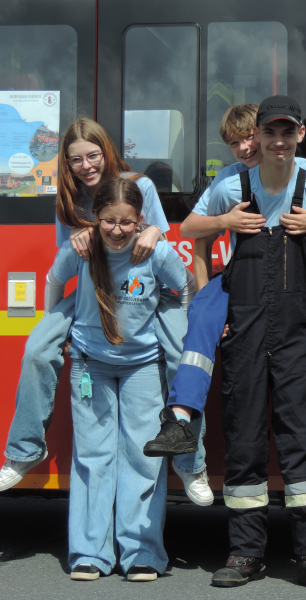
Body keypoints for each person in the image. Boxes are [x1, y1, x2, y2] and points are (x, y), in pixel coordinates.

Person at [144, 104, 306, 480]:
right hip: (247, 282)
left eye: (249, 137)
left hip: (303, 282)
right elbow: (191, 230)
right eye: (234, 143)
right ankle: (180, 420)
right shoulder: (230, 182)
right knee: (200, 316)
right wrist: (225, 221)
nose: (244, 148)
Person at [187, 95, 306, 591]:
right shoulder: (232, 185)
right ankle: (246, 553)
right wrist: (210, 304)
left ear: (299, 134)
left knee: (302, 442)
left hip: (293, 332)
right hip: (243, 329)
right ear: (260, 135)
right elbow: (190, 233)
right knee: (243, 442)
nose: (276, 141)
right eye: (269, 133)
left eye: (287, 132)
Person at [0, 118, 211, 506]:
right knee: (35, 351)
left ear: (106, 152)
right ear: (66, 162)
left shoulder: (141, 184)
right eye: (76, 159)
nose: (86, 165)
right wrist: (57, 326)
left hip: (147, 291)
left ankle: (190, 462)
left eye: (93, 155)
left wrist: (151, 231)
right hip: (90, 293)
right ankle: (25, 452)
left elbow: (160, 236)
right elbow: (66, 261)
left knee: (185, 358)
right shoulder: (67, 199)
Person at [46, 177, 195, 581]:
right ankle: (90, 554)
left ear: (140, 220)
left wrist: (171, 329)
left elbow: (186, 288)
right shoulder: (80, 247)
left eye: (126, 222)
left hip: (143, 365)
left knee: (143, 458)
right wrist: (56, 330)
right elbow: (53, 282)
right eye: (108, 220)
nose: (116, 229)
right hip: (88, 364)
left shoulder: (156, 250)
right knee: (93, 458)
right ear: (95, 219)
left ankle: (141, 553)